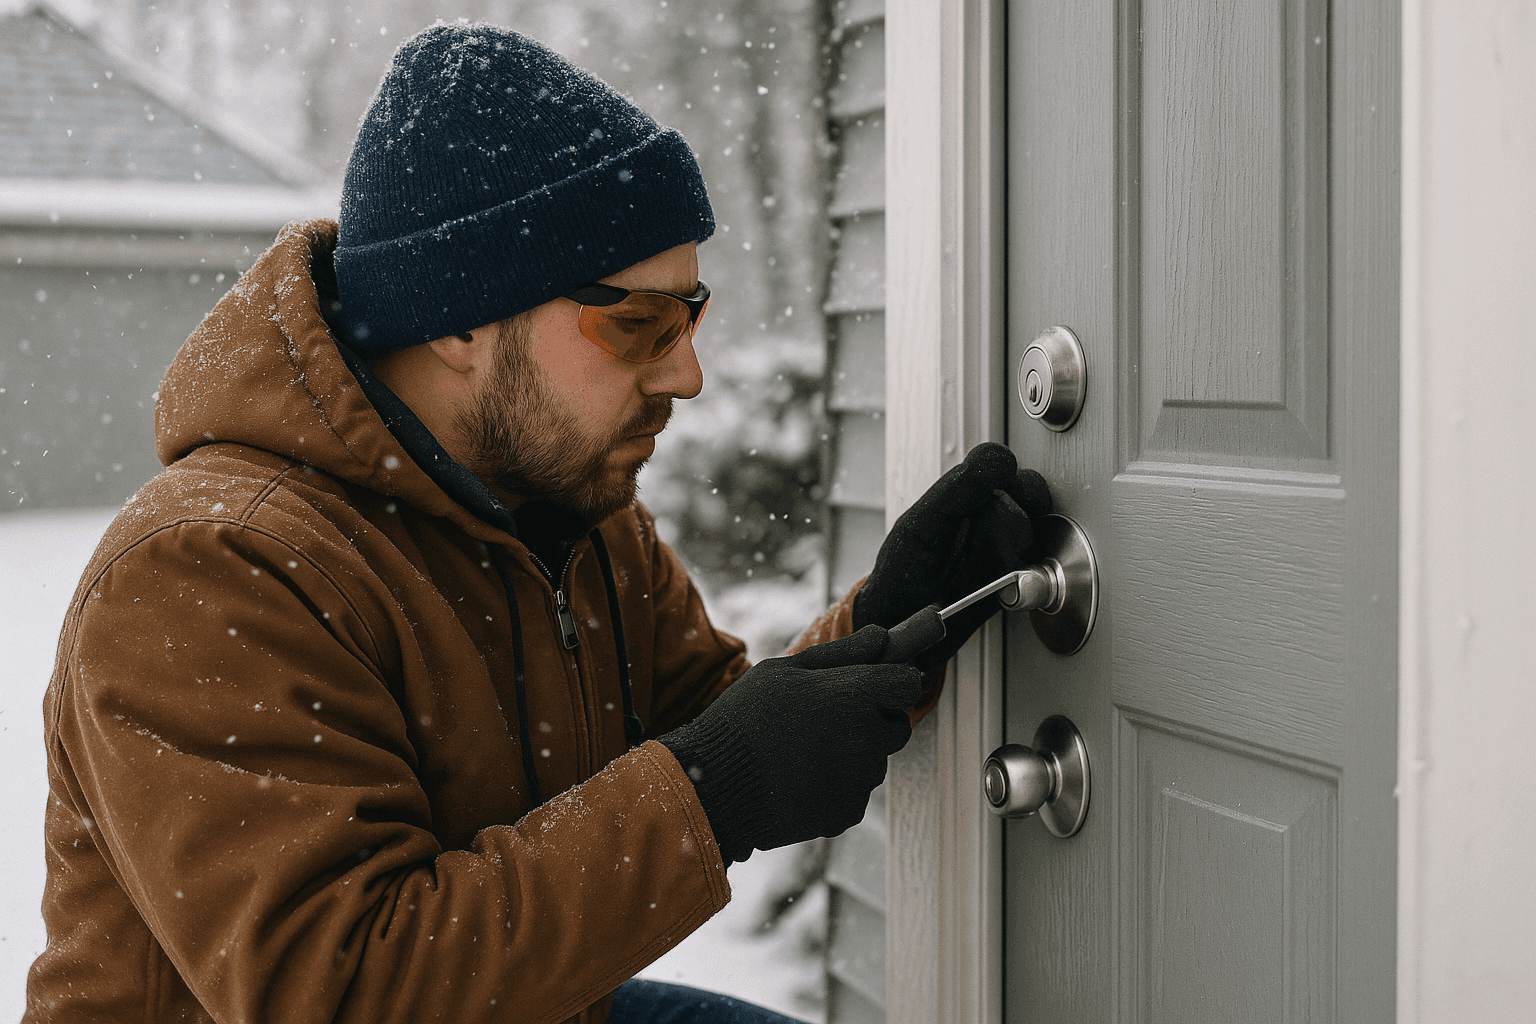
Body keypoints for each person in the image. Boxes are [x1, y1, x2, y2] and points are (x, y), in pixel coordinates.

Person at [24, 21, 1050, 1024]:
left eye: (689, 315)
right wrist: (715, 790)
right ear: (460, 318)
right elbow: (342, 990)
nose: (687, 374)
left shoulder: (565, 512)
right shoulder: (210, 571)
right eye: (638, 324)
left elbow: (717, 727)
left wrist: (890, 622)